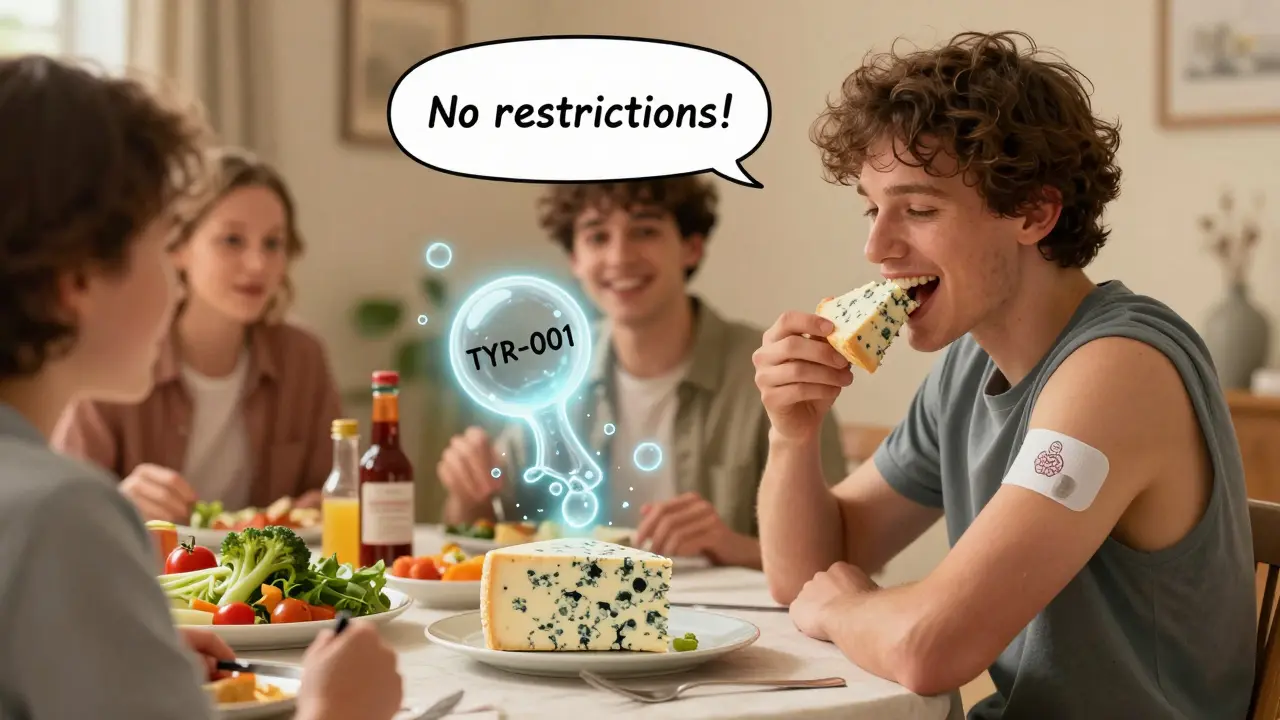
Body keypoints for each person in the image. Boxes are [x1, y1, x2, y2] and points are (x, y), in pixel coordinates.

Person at [753, 31, 1255, 718]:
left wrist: (850, 609)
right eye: (873, 209)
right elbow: (807, 572)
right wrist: (792, 432)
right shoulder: (970, 364)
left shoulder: (1119, 371)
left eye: (919, 209)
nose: (877, 247)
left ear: (1034, 212)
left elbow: (932, 646)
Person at [0, 55, 401, 719]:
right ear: (75, 282)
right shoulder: (62, 517)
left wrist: (130, 652)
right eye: (163, 246)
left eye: (273, 244)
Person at [437, 178, 848, 568]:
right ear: (575, 260)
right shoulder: (550, 370)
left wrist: (729, 545)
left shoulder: (778, 372)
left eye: (645, 231)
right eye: (598, 237)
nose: (620, 258)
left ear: (692, 247)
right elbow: (487, 532)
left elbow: (839, 556)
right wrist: (467, 489)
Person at [51, 146, 342, 523]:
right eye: (232, 240)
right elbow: (61, 509)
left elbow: (336, 489)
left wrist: (327, 505)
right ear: (178, 249)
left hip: (269, 579)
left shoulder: (303, 357)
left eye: (273, 243)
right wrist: (120, 501)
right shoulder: (117, 353)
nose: (258, 264)